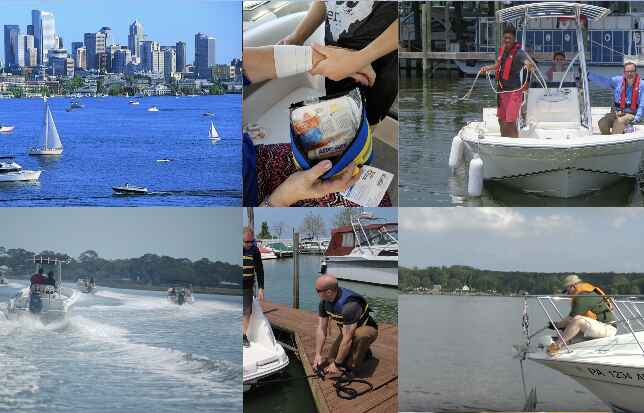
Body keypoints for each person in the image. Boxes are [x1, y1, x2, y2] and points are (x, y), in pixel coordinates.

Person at [280, 1, 399, 126]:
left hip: (376, 65)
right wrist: (297, 37)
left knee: (364, 128)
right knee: (338, 123)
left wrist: (358, 59)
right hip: (336, 65)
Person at [312, 275, 378, 374]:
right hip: (347, 330)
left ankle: (353, 367)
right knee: (331, 359)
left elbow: (348, 339)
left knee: (357, 340)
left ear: (329, 292)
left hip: (367, 328)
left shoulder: (349, 306)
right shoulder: (324, 303)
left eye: (317, 290)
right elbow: (321, 329)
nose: (316, 292)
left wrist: (337, 364)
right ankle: (366, 353)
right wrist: (318, 354)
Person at [481, 26, 535, 139]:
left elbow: (528, 63)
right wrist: (487, 68)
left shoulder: (519, 53)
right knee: (501, 120)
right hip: (502, 91)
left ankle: (513, 143)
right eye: (505, 38)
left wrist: (529, 65)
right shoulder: (503, 50)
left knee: (509, 122)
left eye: (509, 38)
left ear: (514, 39)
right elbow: (498, 65)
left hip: (513, 92)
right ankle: (504, 140)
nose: (507, 40)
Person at [547, 274, 616, 355]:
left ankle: (556, 346)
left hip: (608, 328)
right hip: (598, 327)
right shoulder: (584, 293)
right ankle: (557, 346)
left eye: (566, 291)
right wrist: (560, 327)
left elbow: (571, 318)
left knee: (578, 320)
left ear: (572, 286)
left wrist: (556, 325)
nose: (567, 294)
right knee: (568, 331)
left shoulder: (584, 296)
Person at [589, 62, 644, 135]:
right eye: (627, 71)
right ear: (624, 72)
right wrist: (589, 76)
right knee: (602, 123)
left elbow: (642, 105)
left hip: (632, 114)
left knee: (619, 122)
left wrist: (637, 118)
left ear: (635, 72)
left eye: (632, 71)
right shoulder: (618, 81)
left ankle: (617, 137)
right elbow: (604, 81)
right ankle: (607, 139)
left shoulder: (642, 85)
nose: (630, 74)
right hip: (618, 112)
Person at [243, 226, 264, 348]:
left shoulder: (255, 251)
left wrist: (261, 288)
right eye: (246, 242)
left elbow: (260, 270)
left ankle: (243, 335)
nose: (249, 244)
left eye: (251, 241)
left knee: (247, 311)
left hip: (248, 286)